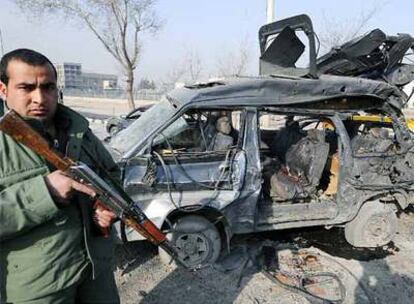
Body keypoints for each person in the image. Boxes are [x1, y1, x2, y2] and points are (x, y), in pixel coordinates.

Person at [0, 49, 120, 304]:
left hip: (95, 274)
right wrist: (45, 192)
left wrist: (104, 207)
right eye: (26, 87)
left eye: (48, 87)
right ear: (3, 90)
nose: (39, 98)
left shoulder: (79, 132)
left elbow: (111, 175)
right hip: (39, 289)